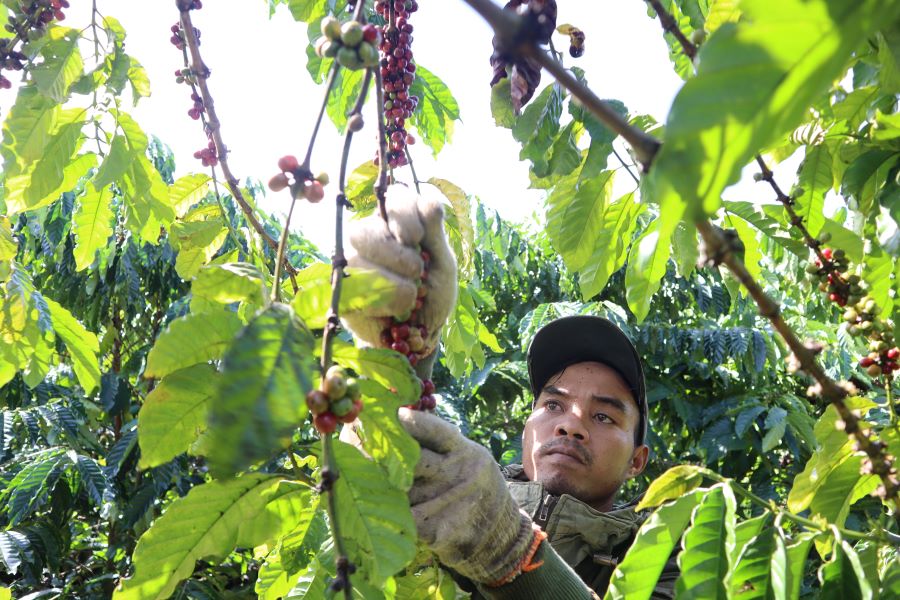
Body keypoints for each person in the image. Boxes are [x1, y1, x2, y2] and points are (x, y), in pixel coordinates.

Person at [342, 187, 678, 599]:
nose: (571, 425)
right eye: (553, 404)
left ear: (636, 461)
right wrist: (401, 346)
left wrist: (509, 551)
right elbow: (373, 478)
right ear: (526, 428)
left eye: (604, 416)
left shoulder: (666, 557)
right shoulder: (451, 494)